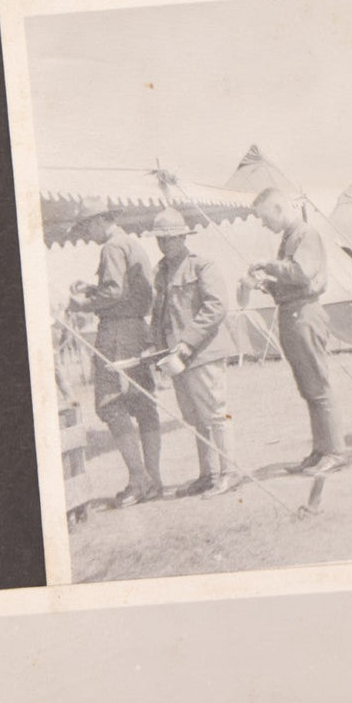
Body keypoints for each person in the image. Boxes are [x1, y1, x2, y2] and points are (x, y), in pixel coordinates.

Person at [67, 198, 162, 506]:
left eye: (88, 226)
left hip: (117, 332)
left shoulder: (110, 248)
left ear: (101, 221)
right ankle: (153, 479)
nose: (87, 233)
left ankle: (138, 479)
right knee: (144, 404)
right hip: (137, 328)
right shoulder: (130, 244)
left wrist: (83, 303)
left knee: (109, 404)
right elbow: (125, 290)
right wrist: (95, 289)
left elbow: (114, 293)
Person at [246, 187, 346, 475]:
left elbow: (302, 272)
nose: (264, 224)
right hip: (292, 313)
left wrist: (268, 265)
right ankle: (321, 448)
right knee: (308, 387)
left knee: (318, 385)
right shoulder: (290, 238)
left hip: (305, 315)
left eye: (265, 218)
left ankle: (335, 451)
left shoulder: (305, 234)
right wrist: (266, 284)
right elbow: (292, 280)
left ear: (279, 209)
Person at [150, 207, 240, 497]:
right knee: (194, 417)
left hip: (203, 352)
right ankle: (208, 473)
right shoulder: (161, 273)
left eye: (170, 238)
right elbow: (160, 315)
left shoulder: (203, 266)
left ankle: (230, 472)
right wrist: (157, 348)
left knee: (216, 414)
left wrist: (188, 341)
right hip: (176, 358)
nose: (164, 244)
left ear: (183, 237)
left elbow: (216, 307)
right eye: (160, 240)